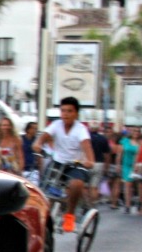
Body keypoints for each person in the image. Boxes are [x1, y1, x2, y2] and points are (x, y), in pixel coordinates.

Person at [33, 96, 96, 233]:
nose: (65, 114)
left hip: (75, 164)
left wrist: (90, 160)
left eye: (69, 111)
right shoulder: (56, 125)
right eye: (63, 111)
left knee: (77, 184)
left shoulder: (81, 129)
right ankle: (41, 216)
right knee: (43, 191)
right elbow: (44, 136)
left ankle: (70, 214)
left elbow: (87, 146)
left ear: (76, 114)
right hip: (57, 163)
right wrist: (38, 143)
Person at [87, 122, 110, 205]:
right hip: (99, 163)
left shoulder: (87, 138)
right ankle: (93, 204)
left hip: (88, 163)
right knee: (94, 187)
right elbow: (106, 154)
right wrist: (106, 167)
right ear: (98, 128)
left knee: (86, 186)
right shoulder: (103, 139)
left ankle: (87, 204)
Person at [118, 126, 140, 212]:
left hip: (137, 165)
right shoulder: (125, 141)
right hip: (126, 165)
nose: (136, 133)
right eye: (135, 131)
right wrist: (118, 165)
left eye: (138, 131)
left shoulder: (140, 143)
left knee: (136, 185)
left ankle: (137, 201)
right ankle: (127, 205)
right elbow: (120, 154)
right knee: (128, 184)